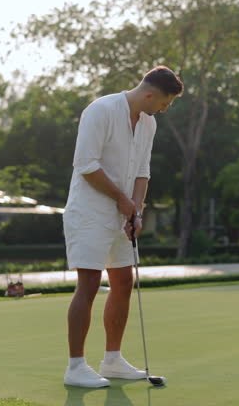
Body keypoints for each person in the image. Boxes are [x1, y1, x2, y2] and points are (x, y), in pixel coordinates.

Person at [63, 66, 183, 388]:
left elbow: (142, 170)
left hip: (123, 213)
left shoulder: (149, 123)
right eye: (164, 102)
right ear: (149, 94)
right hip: (88, 212)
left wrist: (137, 211)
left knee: (123, 282)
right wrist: (121, 199)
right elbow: (86, 165)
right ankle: (75, 367)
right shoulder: (100, 111)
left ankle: (112, 360)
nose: (164, 109)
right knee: (88, 285)